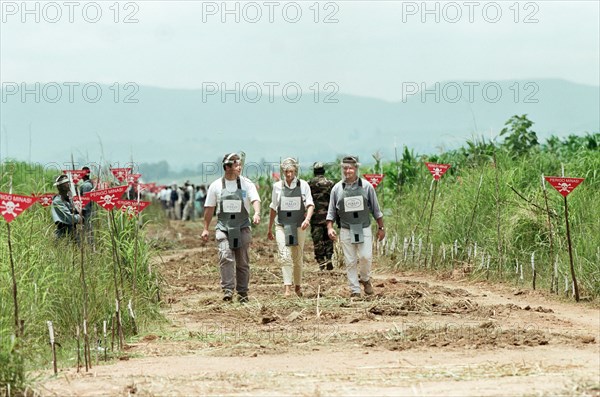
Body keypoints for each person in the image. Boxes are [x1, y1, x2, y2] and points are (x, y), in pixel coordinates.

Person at [201, 153, 261, 303]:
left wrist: (257, 213)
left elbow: (255, 199)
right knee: (225, 257)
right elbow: (209, 208)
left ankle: (242, 292)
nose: (239, 167)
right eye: (236, 165)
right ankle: (228, 290)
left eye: (240, 164)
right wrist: (206, 228)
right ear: (227, 167)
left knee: (242, 261)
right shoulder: (216, 186)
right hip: (224, 227)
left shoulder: (247, 184)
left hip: (242, 227)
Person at [326, 156, 385, 298]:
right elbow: (331, 211)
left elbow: (376, 210)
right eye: (345, 168)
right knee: (350, 260)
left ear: (356, 169)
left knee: (365, 257)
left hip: (364, 227)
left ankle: (365, 279)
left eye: (351, 168)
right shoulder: (337, 189)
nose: (348, 171)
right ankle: (355, 290)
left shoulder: (367, 187)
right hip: (346, 228)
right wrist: (330, 227)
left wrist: (381, 227)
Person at [267, 158, 314, 297]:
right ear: (283, 171)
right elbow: (273, 208)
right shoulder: (277, 187)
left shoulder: (303, 185)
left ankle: (298, 286)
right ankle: (287, 287)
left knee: (297, 257)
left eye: (291, 171)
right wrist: (269, 228)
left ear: (295, 171)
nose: (289, 174)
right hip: (281, 225)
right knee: (285, 255)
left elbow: (310, 204)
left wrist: (307, 219)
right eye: (286, 171)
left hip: (299, 225)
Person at [308, 162, 335, 271]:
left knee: (317, 240)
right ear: (323, 171)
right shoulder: (330, 183)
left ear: (314, 171)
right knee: (328, 238)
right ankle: (329, 259)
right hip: (328, 216)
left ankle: (321, 261)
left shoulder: (309, 183)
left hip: (315, 217)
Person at [51, 174, 82, 240]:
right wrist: (79, 218)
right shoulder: (57, 201)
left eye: (68, 183)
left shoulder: (68, 198)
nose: (68, 185)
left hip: (72, 232)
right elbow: (69, 218)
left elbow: (74, 211)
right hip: (63, 234)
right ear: (60, 187)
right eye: (66, 183)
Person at [78, 166, 94, 244]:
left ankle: (89, 245)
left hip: (87, 212)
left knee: (88, 229)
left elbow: (85, 201)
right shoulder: (91, 184)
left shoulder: (85, 186)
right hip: (91, 210)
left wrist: (82, 212)